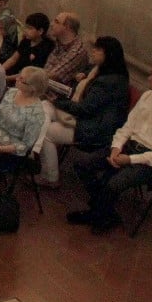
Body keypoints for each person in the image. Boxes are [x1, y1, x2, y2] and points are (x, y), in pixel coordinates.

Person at [69, 60, 152, 234]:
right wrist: (116, 147)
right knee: (83, 164)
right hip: (129, 147)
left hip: (150, 161)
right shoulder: (148, 96)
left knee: (113, 183)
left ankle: (99, 213)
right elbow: (128, 126)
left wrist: (129, 160)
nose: (149, 78)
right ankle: (103, 212)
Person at [38, 35, 131, 188]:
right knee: (44, 107)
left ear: (108, 55)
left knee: (46, 132)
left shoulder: (108, 82)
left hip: (94, 128)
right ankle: (33, 150)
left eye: (98, 50)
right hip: (87, 118)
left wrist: (58, 101)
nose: (93, 52)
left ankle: (50, 177)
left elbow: (85, 109)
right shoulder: (98, 71)